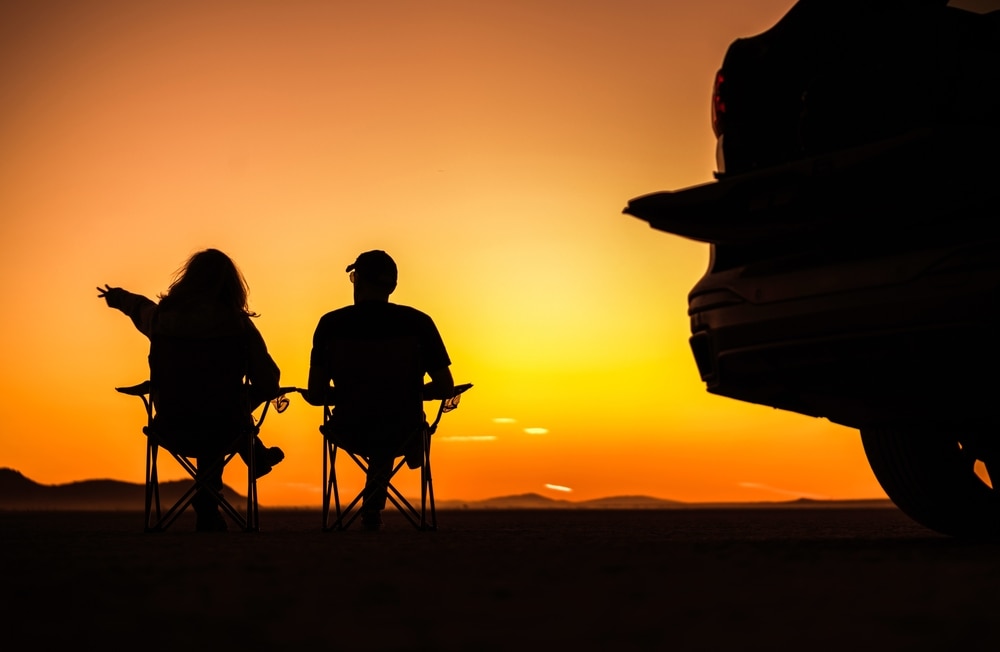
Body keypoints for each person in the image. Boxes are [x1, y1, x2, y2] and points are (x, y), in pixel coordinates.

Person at [98, 248, 285, 532]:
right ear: (231, 286)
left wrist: (117, 297)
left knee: (210, 407)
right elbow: (269, 384)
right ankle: (240, 470)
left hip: (173, 426)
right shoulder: (239, 326)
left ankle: (221, 491)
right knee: (224, 410)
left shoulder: (162, 319)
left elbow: (140, 308)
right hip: (224, 427)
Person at [305, 250, 454, 531]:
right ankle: (374, 507)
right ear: (392, 286)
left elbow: (315, 394)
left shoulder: (331, 324)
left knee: (377, 421)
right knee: (388, 424)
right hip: (404, 428)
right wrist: (407, 392)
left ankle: (371, 510)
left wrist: (353, 394)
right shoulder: (419, 323)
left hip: (350, 427)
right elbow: (445, 386)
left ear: (358, 281)